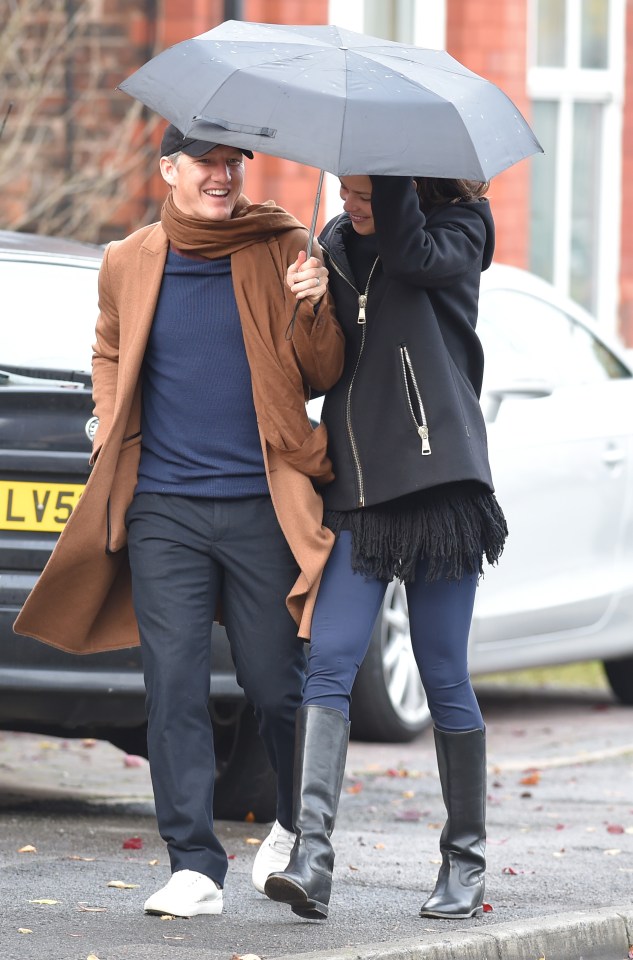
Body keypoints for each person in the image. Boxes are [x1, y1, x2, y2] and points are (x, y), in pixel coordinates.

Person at [13, 124, 344, 918]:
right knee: (174, 686)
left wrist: (315, 304)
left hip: (261, 503)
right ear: (170, 170)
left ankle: (299, 828)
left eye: (235, 162)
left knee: (273, 684)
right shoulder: (128, 260)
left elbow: (321, 371)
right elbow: (107, 348)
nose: (224, 176)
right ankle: (193, 861)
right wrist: (105, 413)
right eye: (208, 162)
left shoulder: (281, 246)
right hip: (163, 507)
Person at [265, 173, 508, 921]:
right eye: (345, 186)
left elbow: (410, 256)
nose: (350, 201)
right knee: (329, 662)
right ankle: (311, 854)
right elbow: (323, 369)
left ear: (407, 181)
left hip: (439, 489)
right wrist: (307, 304)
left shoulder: (460, 230)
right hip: (361, 491)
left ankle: (462, 861)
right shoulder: (336, 243)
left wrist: (392, 189)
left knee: (441, 673)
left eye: (368, 187)